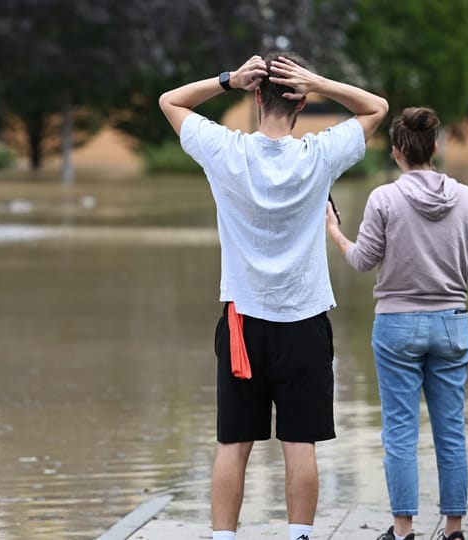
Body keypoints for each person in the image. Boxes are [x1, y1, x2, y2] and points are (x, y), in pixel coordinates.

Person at [158, 52, 388, 540]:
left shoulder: (225, 150)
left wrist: (227, 80)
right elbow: (376, 109)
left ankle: (224, 537)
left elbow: (170, 101)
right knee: (299, 441)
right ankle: (299, 536)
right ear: (301, 102)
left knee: (233, 442)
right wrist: (321, 81)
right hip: (304, 321)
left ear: (255, 95)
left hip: (243, 323)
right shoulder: (319, 155)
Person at [324, 107, 468, 540]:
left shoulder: (384, 199)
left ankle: (403, 531)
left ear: (398, 152)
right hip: (453, 325)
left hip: (396, 327)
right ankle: (454, 530)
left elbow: (363, 261)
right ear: (435, 148)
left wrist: (334, 231)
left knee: (400, 432)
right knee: (451, 432)